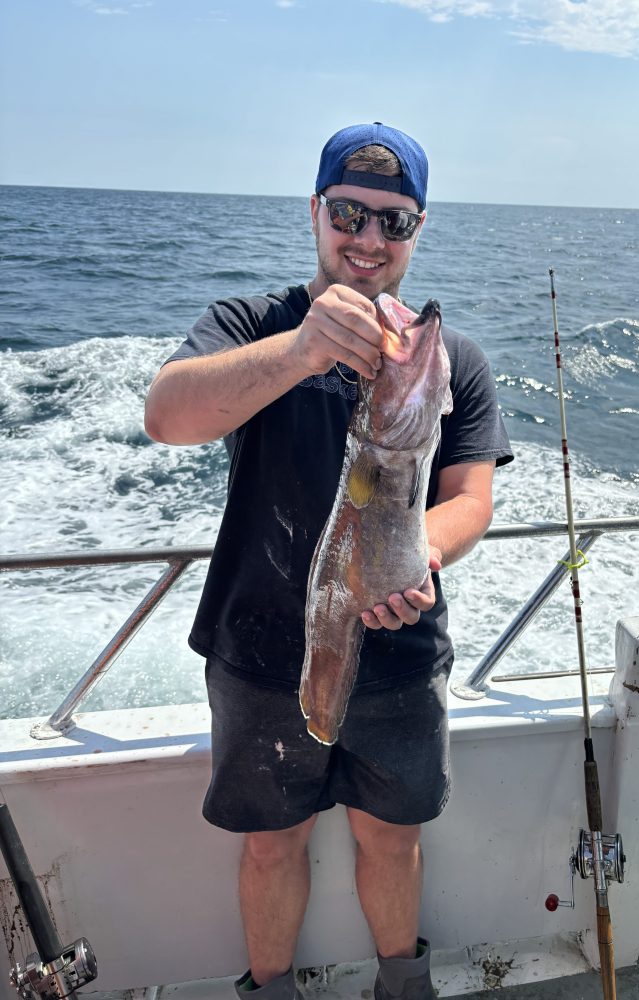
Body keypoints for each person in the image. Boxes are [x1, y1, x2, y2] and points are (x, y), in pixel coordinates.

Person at [144, 122, 513, 1000]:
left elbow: (471, 499)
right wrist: (305, 348)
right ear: (316, 212)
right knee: (272, 841)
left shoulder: (450, 359)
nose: (370, 240)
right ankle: (269, 989)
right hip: (261, 648)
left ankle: (402, 984)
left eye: (396, 221)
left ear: (419, 230)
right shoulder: (251, 325)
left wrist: (415, 552)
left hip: (399, 646)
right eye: (349, 212)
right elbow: (167, 414)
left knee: (391, 834)